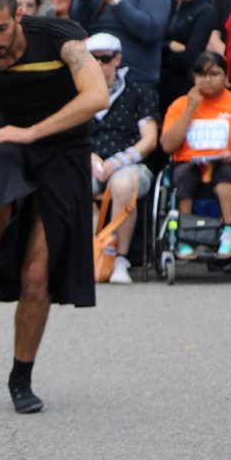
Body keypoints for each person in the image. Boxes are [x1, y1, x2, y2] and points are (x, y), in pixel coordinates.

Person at [0, 0, 107, 414]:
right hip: (11, 145)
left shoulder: (60, 37)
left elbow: (96, 96)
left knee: (37, 275)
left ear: (18, 16)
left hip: (64, 149)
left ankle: (21, 377)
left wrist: (33, 131)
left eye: (1, 28)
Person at [160, 52, 231, 259]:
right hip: (189, 164)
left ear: (226, 77)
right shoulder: (179, 105)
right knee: (184, 175)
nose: (207, 80)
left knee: (226, 173)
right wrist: (190, 109)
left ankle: (229, 230)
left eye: (214, 74)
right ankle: (185, 233)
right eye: (201, 75)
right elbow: (168, 145)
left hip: (229, 163)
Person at [86, 33, 159, 284]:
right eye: (91, 59)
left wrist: (117, 161)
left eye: (104, 59)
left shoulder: (139, 92)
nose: (97, 64)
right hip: (88, 160)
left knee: (123, 184)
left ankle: (119, 258)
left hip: (130, 163)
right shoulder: (77, 93)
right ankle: (84, 254)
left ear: (117, 59)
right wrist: (91, 158)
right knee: (71, 181)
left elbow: (149, 139)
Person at [159, 0, 217, 116]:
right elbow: (149, 41)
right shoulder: (161, 3)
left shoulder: (205, 10)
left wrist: (160, 50)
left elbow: (191, 56)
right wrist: (169, 45)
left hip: (182, 87)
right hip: (155, 85)